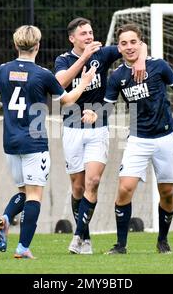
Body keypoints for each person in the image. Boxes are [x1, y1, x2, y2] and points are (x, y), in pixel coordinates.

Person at [0, 25, 97, 259]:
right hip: (34, 143)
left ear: (16, 45)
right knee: (34, 196)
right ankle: (23, 248)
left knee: (24, 192)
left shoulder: (2, 70)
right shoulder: (42, 74)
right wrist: (84, 82)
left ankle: (5, 218)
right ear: (38, 46)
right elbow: (67, 101)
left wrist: (4, 108)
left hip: (11, 142)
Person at [103, 24, 173, 255]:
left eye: (133, 42)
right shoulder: (117, 77)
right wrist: (94, 112)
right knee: (125, 188)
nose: (129, 47)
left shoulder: (159, 66)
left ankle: (162, 240)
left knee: (167, 192)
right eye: (124, 43)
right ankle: (120, 245)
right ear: (119, 47)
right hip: (137, 138)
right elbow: (107, 105)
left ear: (141, 43)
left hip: (165, 138)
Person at [54, 17, 148, 254]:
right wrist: (84, 58)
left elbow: (134, 45)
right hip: (72, 129)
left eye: (91, 32)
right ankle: (84, 238)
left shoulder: (103, 54)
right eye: (83, 33)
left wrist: (142, 60)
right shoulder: (62, 60)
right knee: (77, 188)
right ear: (72, 38)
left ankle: (76, 237)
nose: (88, 37)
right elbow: (61, 83)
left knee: (92, 182)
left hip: (99, 128)